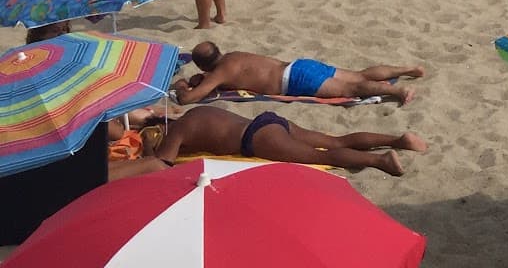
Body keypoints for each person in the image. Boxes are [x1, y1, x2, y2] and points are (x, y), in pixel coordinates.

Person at [130, 107, 425, 176]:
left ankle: (380, 160)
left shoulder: (179, 130)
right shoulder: (195, 113)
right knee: (335, 141)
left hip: (257, 138)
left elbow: (162, 163)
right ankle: (398, 139)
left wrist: (147, 145)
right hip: (268, 121)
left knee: (322, 157)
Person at [172, 42, 423, 105]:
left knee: (353, 90)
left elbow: (188, 99)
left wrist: (183, 85)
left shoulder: (219, 72)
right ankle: (406, 69)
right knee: (359, 76)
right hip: (299, 65)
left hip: (294, 80)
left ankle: (398, 91)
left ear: (204, 67)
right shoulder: (233, 57)